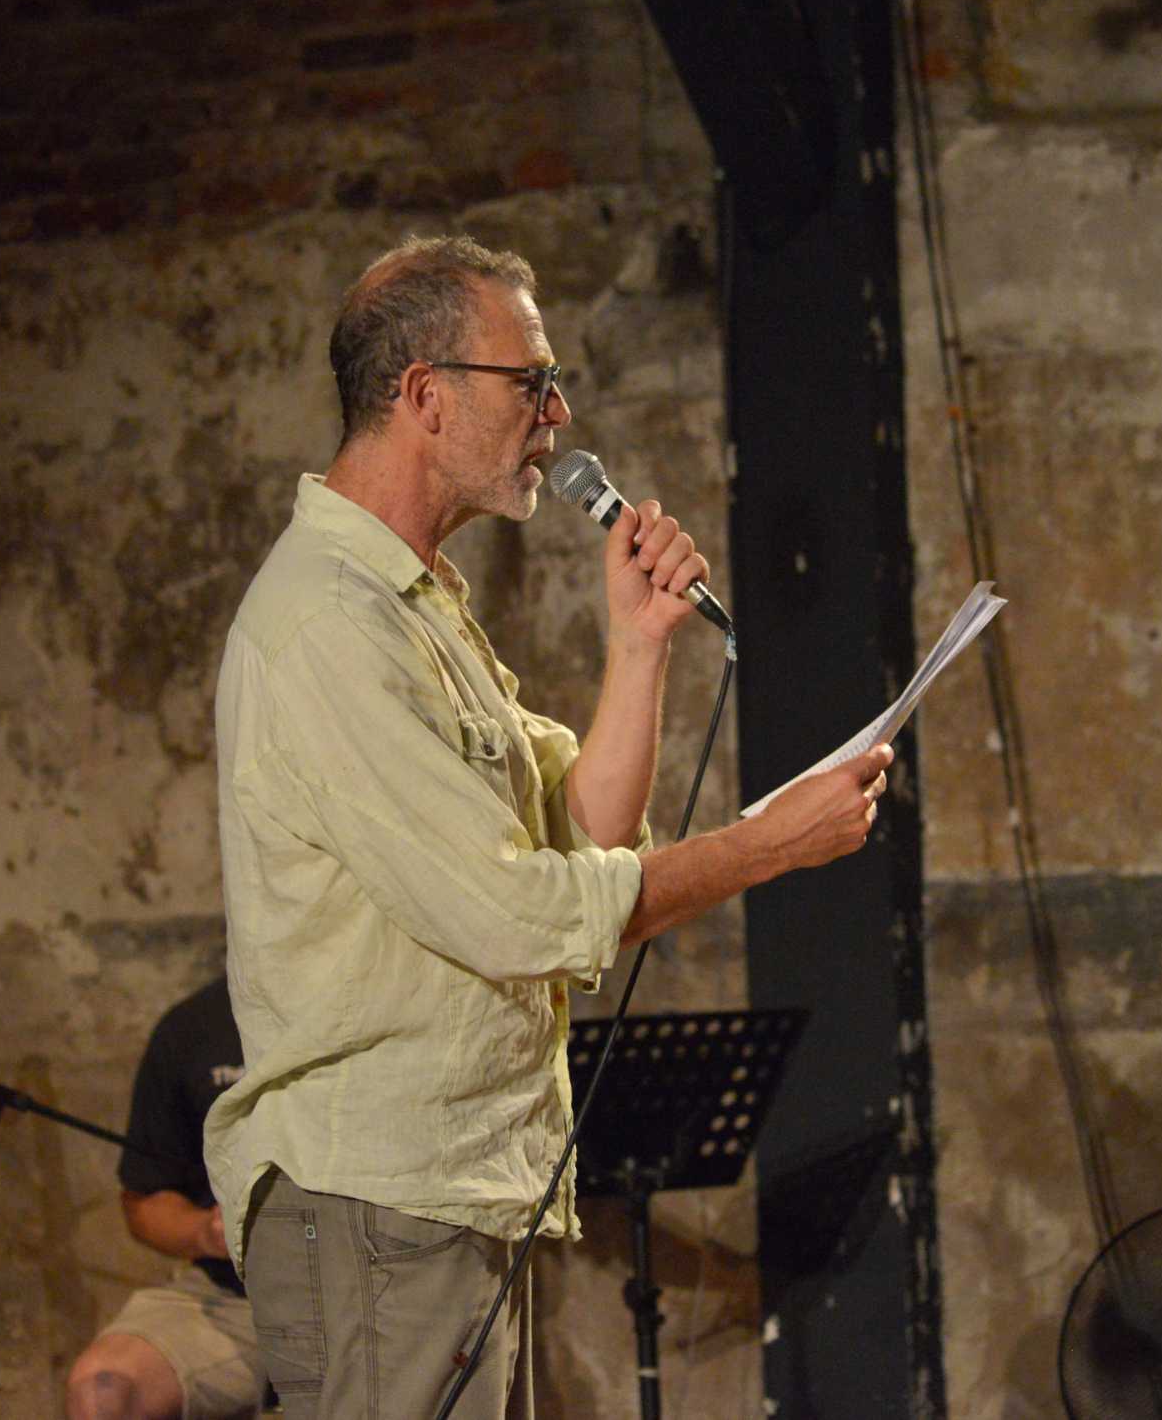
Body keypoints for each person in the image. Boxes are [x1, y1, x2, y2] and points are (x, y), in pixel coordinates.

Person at [203, 234, 893, 1418]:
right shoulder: (329, 624)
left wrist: (639, 644)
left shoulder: (412, 605)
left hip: (446, 1198)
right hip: (376, 1203)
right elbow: (520, 918)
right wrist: (768, 843)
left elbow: (579, 835)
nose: (559, 414)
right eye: (531, 380)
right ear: (423, 394)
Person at [66, 978, 264, 1420]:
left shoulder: (378, 1002)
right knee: (103, 1389)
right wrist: (207, 1232)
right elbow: (146, 1201)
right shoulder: (195, 1024)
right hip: (236, 1296)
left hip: (371, 1292)